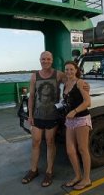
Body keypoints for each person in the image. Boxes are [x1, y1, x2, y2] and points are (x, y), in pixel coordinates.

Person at [21, 51, 66, 187]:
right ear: (40, 60)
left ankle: (49, 171)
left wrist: (83, 85)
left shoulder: (58, 74)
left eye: (48, 59)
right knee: (36, 142)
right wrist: (30, 115)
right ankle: (33, 170)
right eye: (43, 59)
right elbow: (32, 97)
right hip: (38, 115)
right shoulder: (34, 76)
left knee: (50, 142)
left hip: (52, 115)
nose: (45, 61)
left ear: (51, 60)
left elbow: (72, 81)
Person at [62, 61, 92, 191]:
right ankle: (78, 176)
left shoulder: (80, 83)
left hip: (81, 119)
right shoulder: (66, 84)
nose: (69, 72)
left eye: (71, 69)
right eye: (66, 69)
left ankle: (87, 179)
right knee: (70, 150)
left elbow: (88, 102)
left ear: (76, 70)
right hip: (70, 120)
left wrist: (74, 111)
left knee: (82, 149)